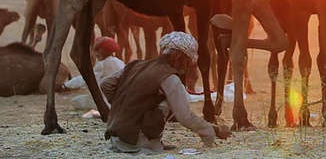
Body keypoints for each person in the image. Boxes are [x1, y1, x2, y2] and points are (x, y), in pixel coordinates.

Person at [101, 31, 231, 154]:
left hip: (116, 138)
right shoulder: (169, 78)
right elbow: (185, 117)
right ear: (178, 58)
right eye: (187, 62)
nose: (186, 67)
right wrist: (210, 132)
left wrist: (126, 105)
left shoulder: (135, 64)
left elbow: (106, 84)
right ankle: (149, 140)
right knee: (177, 97)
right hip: (137, 142)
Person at [60, 36, 125, 111]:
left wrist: (65, 85)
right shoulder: (119, 62)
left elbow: (85, 78)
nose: (96, 54)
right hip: (121, 99)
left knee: (76, 101)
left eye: (98, 50)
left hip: (109, 101)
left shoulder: (103, 64)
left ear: (103, 51)